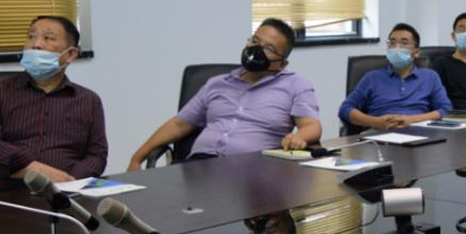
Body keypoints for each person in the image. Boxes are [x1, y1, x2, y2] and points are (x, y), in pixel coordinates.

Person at [128, 18, 321, 169]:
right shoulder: (217, 83)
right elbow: (179, 124)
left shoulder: (295, 85)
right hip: (198, 167)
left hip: (253, 174)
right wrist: (136, 158)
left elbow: (312, 126)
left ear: (281, 64)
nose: (256, 49)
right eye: (255, 41)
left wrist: (299, 136)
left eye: (268, 48)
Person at [0, 16, 108, 191]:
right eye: (31, 36)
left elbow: (96, 156)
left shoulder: (88, 100)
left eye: (48, 38)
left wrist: (69, 181)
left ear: (70, 54)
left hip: (67, 192)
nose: (36, 44)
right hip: (4, 192)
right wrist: (39, 172)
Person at [339, 23, 452, 130]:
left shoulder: (430, 77)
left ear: (416, 52)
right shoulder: (372, 78)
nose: (397, 47)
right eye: (392, 43)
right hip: (379, 133)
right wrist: (375, 122)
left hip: (420, 132)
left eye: (404, 42)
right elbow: (345, 109)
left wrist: (413, 120)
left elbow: (446, 110)